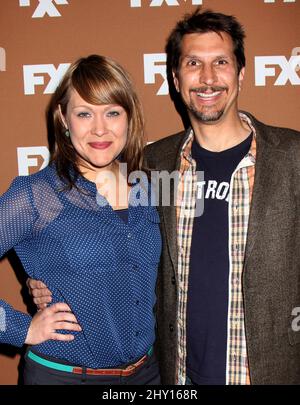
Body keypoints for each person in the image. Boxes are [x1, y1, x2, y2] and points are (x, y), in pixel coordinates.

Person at [29, 9, 300, 385]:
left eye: (220, 62)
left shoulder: (293, 158)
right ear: (175, 78)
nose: (207, 78)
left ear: (240, 72)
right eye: (193, 63)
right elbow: (108, 246)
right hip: (175, 377)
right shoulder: (153, 169)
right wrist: (50, 282)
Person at [0, 54, 161, 385]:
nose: (99, 128)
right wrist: (22, 328)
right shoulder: (36, 195)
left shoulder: (148, 188)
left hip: (146, 375)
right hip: (64, 378)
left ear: (129, 118)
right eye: (84, 113)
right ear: (63, 117)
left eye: (112, 113)